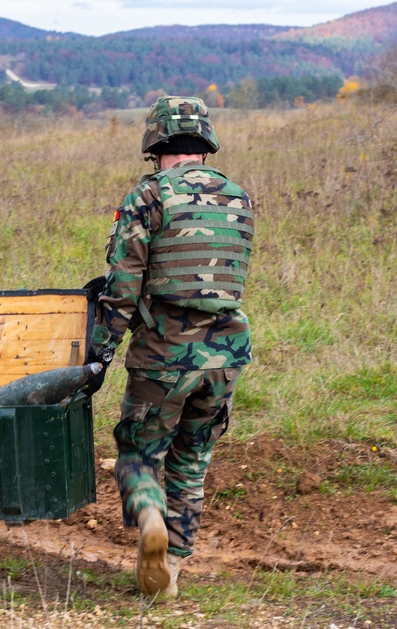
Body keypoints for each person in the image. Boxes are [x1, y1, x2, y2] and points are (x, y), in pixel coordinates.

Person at [84, 96, 253, 598]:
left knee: (139, 450)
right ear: (204, 144)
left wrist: (101, 351)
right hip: (227, 351)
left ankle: (151, 515)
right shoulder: (238, 196)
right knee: (192, 459)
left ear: (156, 146)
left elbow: (122, 285)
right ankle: (172, 568)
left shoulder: (148, 195)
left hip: (164, 353)